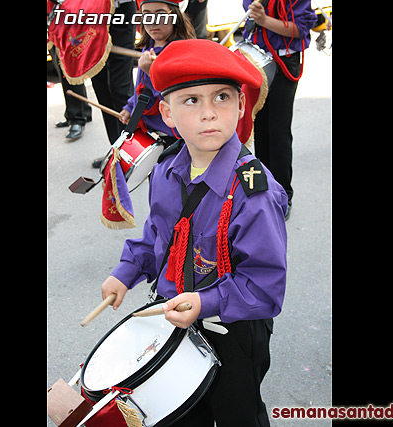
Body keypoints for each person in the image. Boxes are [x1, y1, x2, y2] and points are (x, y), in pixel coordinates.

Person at [99, 39, 288, 427]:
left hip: (232, 328)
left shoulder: (254, 191)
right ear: (166, 113)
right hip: (174, 318)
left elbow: (265, 286)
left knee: (239, 413)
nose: (208, 114)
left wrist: (205, 304)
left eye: (221, 97)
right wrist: (126, 271)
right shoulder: (167, 170)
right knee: (181, 410)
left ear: (240, 106)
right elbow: (158, 235)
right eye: (191, 101)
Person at [243, 0, 317, 220]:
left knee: (278, 131)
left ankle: (283, 195)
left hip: (284, 62)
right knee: (261, 130)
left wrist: (264, 20)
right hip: (258, 60)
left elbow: (300, 28)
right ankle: (264, 192)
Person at [117, 0, 195, 147]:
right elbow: (141, 87)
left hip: (174, 135)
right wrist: (130, 106)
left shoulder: (180, 52)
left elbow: (179, 100)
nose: (153, 23)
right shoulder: (149, 46)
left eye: (160, 14)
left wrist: (152, 73)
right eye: (146, 16)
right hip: (149, 131)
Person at [90, 0, 138, 167]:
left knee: (120, 88)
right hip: (91, 12)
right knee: (100, 83)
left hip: (120, 9)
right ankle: (115, 151)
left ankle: (131, 152)